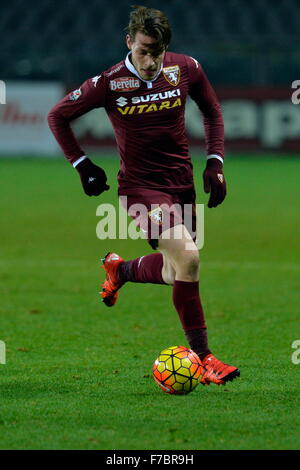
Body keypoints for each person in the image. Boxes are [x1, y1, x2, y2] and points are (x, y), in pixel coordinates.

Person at [48, 5, 240, 385]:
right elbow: (57, 115)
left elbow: (213, 112)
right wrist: (82, 164)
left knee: (175, 270)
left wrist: (215, 162)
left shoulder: (185, 68)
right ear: (129, 42)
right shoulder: (110, 82)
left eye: (157, 51)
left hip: (181, 184)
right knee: (189, 258)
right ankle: (204, 359)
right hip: (140, 189)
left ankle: (121, 270)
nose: (151, 60)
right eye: (143, 50)